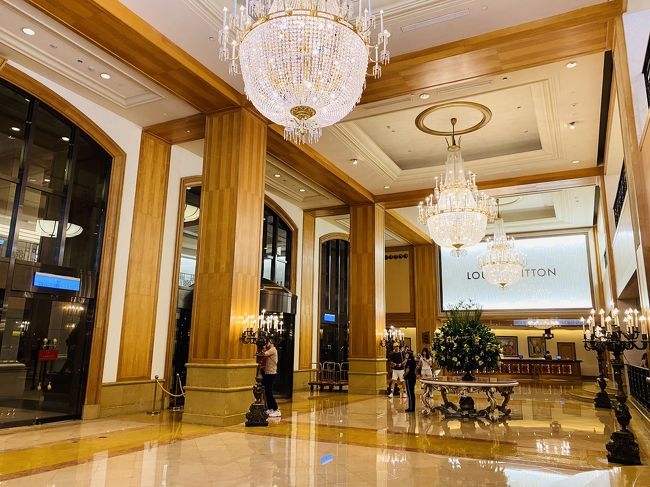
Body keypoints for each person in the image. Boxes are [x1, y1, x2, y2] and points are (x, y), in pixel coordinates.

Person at [263, 337, 280, 417]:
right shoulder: (271, 349)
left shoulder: (273, 350)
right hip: (268, 372)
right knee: (267, 391)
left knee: (269, 392)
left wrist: (262, 348)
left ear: (271, 342)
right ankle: (270, 408)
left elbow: (264, 354)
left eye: (268, 342)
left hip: (271, 373)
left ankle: (276, 409)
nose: (267, 343)